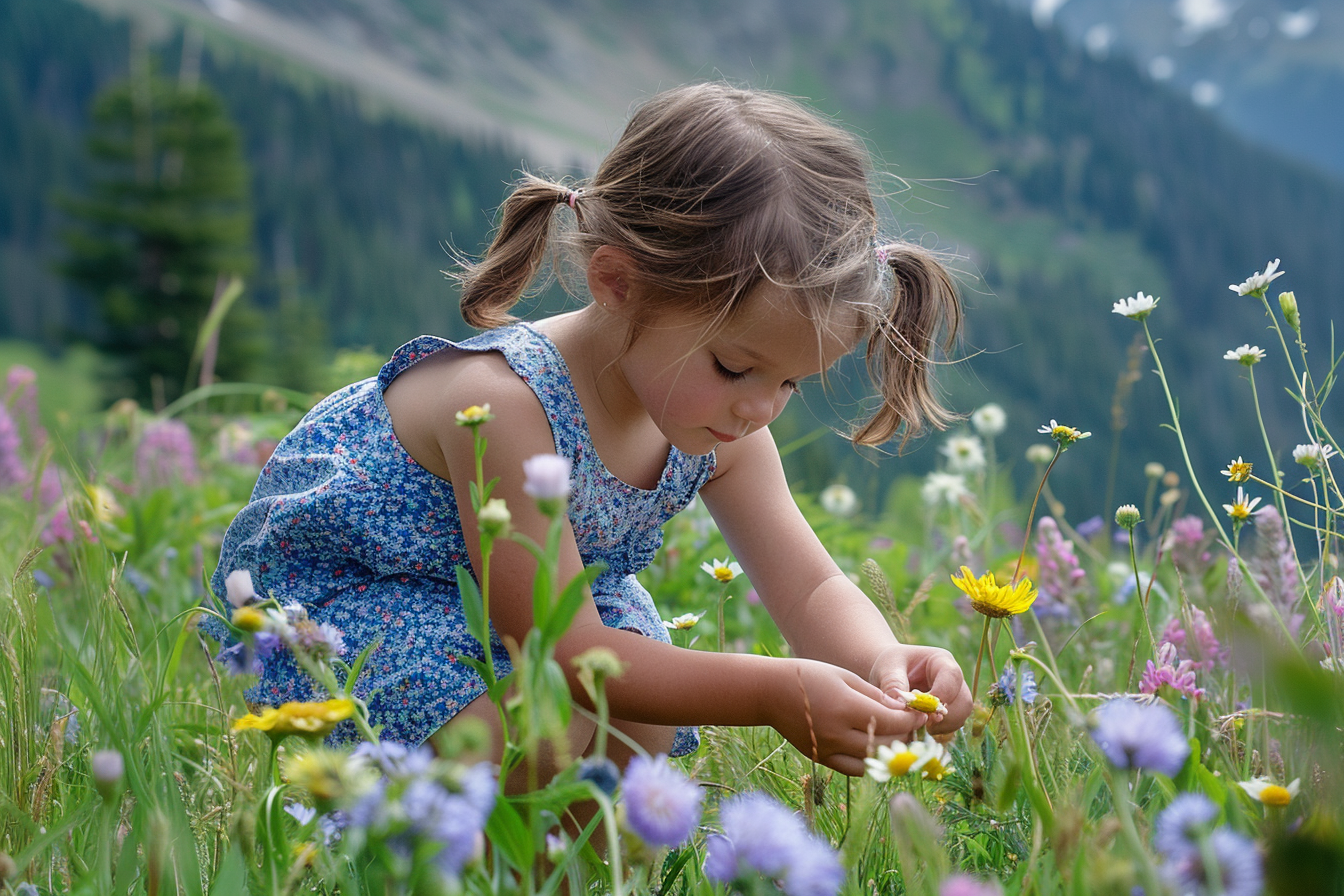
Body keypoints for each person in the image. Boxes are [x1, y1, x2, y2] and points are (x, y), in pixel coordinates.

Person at [209, 82, 973, 779]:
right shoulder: (502, 405)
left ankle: (559, 872)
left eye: (791, 382)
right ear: (618, 283)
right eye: (737, 368)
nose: (761, 408)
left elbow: (809, 588)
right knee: (535, 733)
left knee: (635, 721)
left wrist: (884, 662)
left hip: (522, 610)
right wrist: (776, 692)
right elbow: (559, 649)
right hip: (360, 602)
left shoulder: (730, 427)